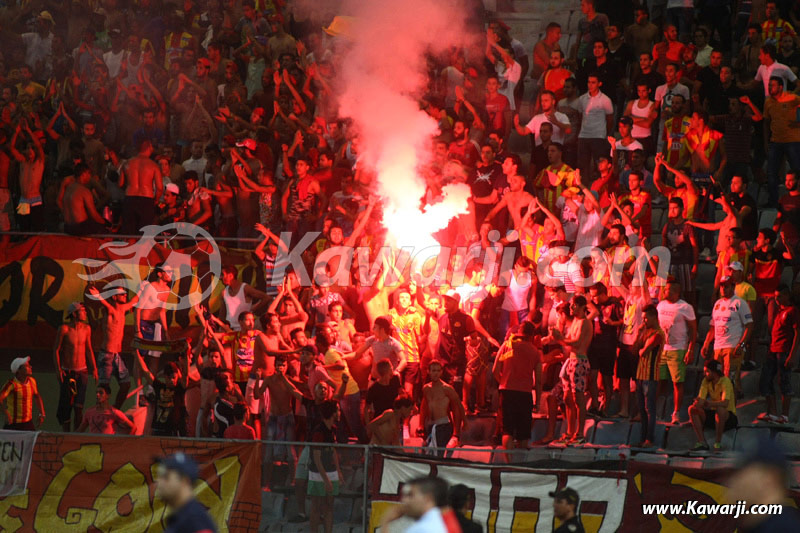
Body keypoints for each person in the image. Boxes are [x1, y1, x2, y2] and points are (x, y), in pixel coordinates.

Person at [547, 296, 593, 445]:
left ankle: (580, 433)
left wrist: (560, 337)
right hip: (571, 361)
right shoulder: (575, 322)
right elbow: (567, 343)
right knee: (567, 398)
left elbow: (577, 343)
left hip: (579, 360)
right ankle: (569, 432)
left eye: (573, 306)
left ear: (581, 307)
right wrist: (557, 337)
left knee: (578, 399)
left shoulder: (585, 323)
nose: (571, 308)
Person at [728, 439, 800, 532]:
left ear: (771, 477)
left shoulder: (782, 527)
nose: (736, 481)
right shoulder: (758, 524)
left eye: (744, 473)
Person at [492, 321, 542, 453]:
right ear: (532, 335)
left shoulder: (507, 345)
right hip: (525, 394)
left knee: (507, 430)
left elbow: (494, 371)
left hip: (507, 391)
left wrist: (503, 381)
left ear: (519, 332)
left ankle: (507, 463)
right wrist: (538, 401)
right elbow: (538, 381)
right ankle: (520, 465)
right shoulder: (535, 352)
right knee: (523, 433)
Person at [702, 276, 754, 396]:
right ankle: (721, 409)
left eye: (726, 286)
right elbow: (712, 327)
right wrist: (706, 343)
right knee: (718, 380)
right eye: (721, 286)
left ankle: (731, 411)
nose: (723, 289)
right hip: (718, 347)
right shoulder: (717, 304)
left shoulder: (740, 303)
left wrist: (742, 344)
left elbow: (749, 325)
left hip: (733, 346)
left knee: (730, 381)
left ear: (733, 287)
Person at [88, 285, 137, 409]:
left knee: (126, 384)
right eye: (122, 294)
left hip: (117, 355)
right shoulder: (110, 310)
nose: (125, 295)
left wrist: (143, 288)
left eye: (125, 293)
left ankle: (114, 410)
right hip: (107, 355)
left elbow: (133, 301)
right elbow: (106, 305)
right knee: (103, 388)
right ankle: (99, 413)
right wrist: (98, 296)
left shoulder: (122, 309)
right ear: (114, 297)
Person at [656, 280, 697, 425]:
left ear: (675, 292)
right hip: (662, 349)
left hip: (678, 348)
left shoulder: (685, 307)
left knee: (677, 382)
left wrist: (690, 349)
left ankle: (676, 413)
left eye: (667, 290)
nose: (664, 291)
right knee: (657, 381)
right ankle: (655, 411)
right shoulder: (660, 305)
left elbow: (693, 329)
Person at [54, 302, 99, 432]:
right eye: (82, 311)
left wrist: (94, 368)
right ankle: (66, 434)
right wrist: (58, 369)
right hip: (68, 371)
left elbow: (89, 349)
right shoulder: (64, 329)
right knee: (66, 406)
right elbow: (56, 350)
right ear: (74, 314)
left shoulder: (87, 329)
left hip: (82, 371)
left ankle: (77, 434)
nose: (85, 313)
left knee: (79, 406)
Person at [758, 285, 798, 424]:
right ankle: (773, 413)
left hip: (784, 350)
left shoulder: (793, 311)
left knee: (784, 382)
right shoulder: (778, 311)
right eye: (775, 296)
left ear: (787, 296)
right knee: (765, 380)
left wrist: (792, 355)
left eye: (780, 296)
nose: (777, 299)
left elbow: (798, 334)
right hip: (773, 350)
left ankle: (784, 416)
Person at [155, 453, 218, 533]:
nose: (158, 481)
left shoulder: (195, 520)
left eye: (166, 476)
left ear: (184, 481)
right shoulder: (180, 518)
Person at [308, 400, 343, 533]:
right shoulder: (319, 431)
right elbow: (317, 458)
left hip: (331, 470)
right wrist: (326, 480)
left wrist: (338, 471)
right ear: (333, 413)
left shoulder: (333, 429)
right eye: (338, 410)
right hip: (318, 473)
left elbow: (333, 451)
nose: (339, 413)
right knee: (316, 506)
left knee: (329, 505)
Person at [689, 359, 738, 452]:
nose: (704, 374)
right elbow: (701, 400)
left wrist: (708, 403)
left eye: (707, 371)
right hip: (713, 414)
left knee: (720, 409)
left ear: (714, 373)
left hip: (729, 417)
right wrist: (697, 403)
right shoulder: (705, 381)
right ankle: (702, 442)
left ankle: (717, 443)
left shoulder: (725, 381)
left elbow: (725, 403)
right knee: (692, 409)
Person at [635, 305, 665, 448]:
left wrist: (641, 347)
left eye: (646, 318)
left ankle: (650, 439)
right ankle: (642, 438)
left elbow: (643, 352)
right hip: (640, 374)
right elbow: (635, 349)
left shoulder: (658, 334)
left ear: (654, 317)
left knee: (650, 409)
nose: (644, 321)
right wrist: (639, 333)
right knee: (642, 410)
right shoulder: (646, 333)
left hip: (651, 375)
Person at [379, 476, 452, 533]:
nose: (404, 500)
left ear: (428, 499)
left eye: (410, 495)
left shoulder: (423, 529)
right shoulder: (442, 523)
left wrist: (385, 522)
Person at [119, 139, 163, 235]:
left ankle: (129, 248)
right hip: (146, 200)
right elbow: (160, 188)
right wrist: (156, 199)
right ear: (149, 147)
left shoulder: (127, 163)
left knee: (128, 234)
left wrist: (130, 188)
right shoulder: (153, 165)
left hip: (130, 199)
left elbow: (120, 184)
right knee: (144, 234)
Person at [420, 360, 464, 454]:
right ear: (429, 371)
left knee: (439, 455)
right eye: (433, 370)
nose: (435, 373)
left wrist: (456, 433)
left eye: (438, 371)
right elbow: (424, 407)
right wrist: (421, 424)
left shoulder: (447, 389)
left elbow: (457, 409)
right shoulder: (426, 389)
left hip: (443, 425)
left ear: (441, 372)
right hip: (430, 425)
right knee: (428, 454)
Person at [0, 357, 45, 431]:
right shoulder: (11, 384)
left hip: (28, 423)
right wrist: (6, 414)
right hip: (13, 424)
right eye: (27, 366)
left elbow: (37, 396)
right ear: (18, 370)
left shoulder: (32, 381)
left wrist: (42, 413)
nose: (30, 367)